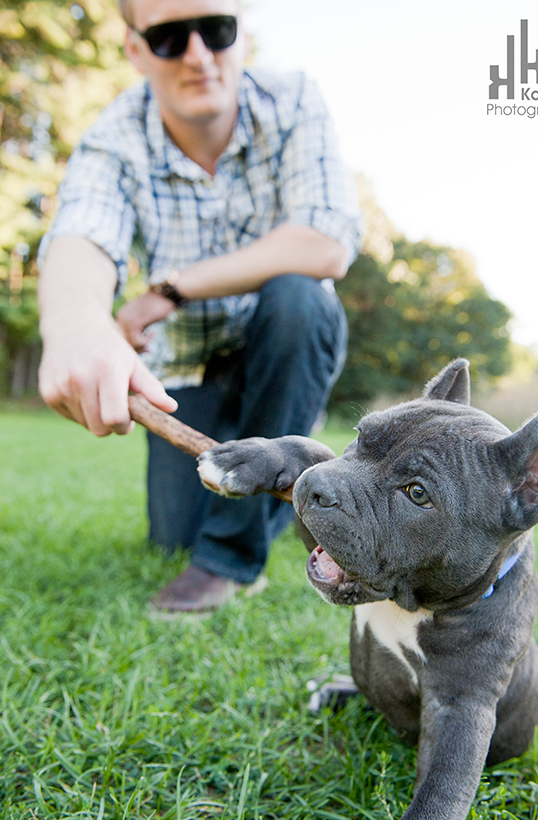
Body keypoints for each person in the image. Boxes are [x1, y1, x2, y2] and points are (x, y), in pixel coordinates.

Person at [37, 0, 362, 611]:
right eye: (167, 37)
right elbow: (82, 232)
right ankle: (296, 486)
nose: (197, 55)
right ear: (135, 49)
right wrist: (76, 324)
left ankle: (233, 559)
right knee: (174, 537)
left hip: (283, 347)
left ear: (239, 34)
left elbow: (326, 240)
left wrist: (169, 289)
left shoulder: (292, 101)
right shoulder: (113, 139)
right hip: (188, 372)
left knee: (298, 297)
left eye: (215, 30)